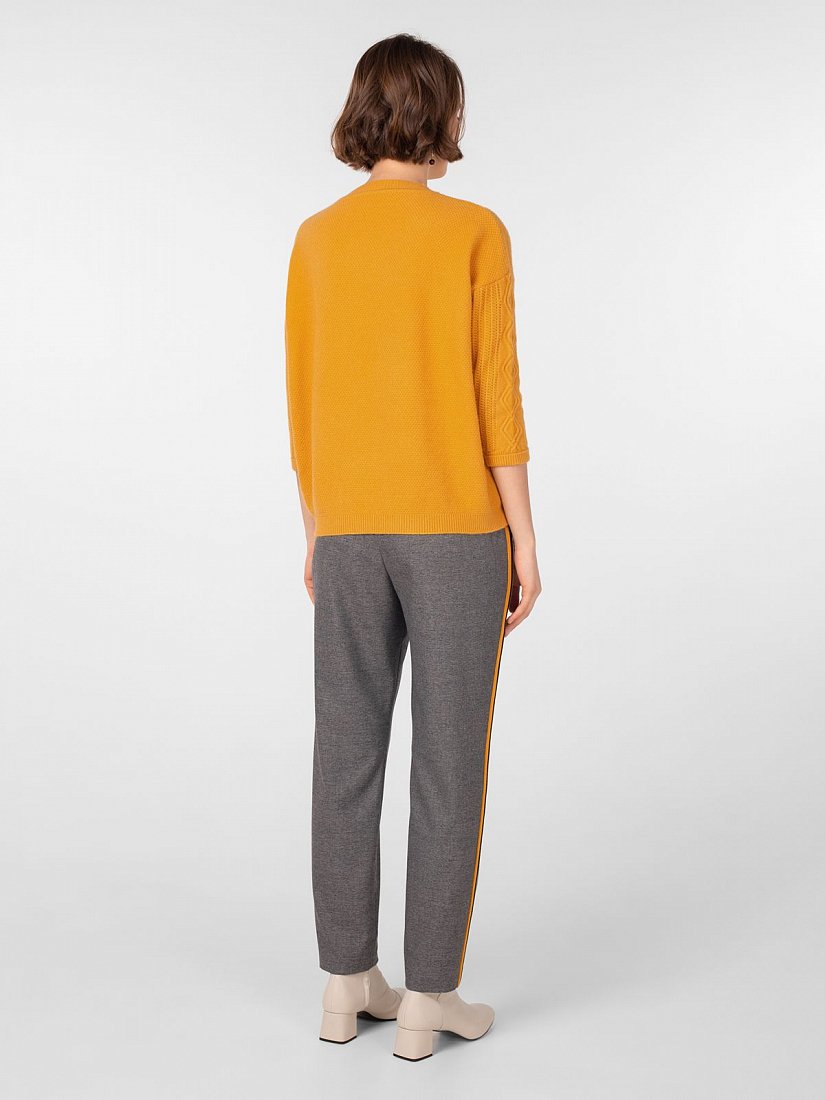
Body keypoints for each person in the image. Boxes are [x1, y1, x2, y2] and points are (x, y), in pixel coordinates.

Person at [284, 32, 541, 1062]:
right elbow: (496, 392)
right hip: (454, 532)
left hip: (348, 527)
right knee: (447, 761)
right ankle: (430, 996)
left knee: (344, 752)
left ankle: (345, 981)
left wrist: (318, 528)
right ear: (442, 114)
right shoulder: (474, 231)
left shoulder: (316, 238)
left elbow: (303, 399)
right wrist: (524, 535)